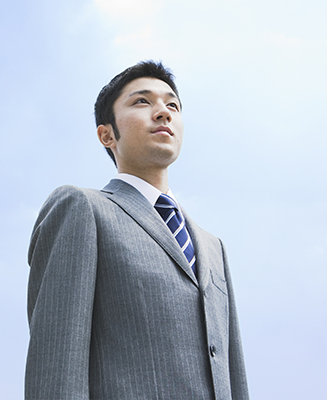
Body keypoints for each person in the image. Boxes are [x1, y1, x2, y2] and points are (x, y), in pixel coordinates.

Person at [26, 61, 249, 399]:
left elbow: (232, 372)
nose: (163, 112)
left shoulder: (213, 247)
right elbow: (57, 362)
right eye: (142, 101)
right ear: (107, 134)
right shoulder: (83, 209)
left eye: (173, 105)